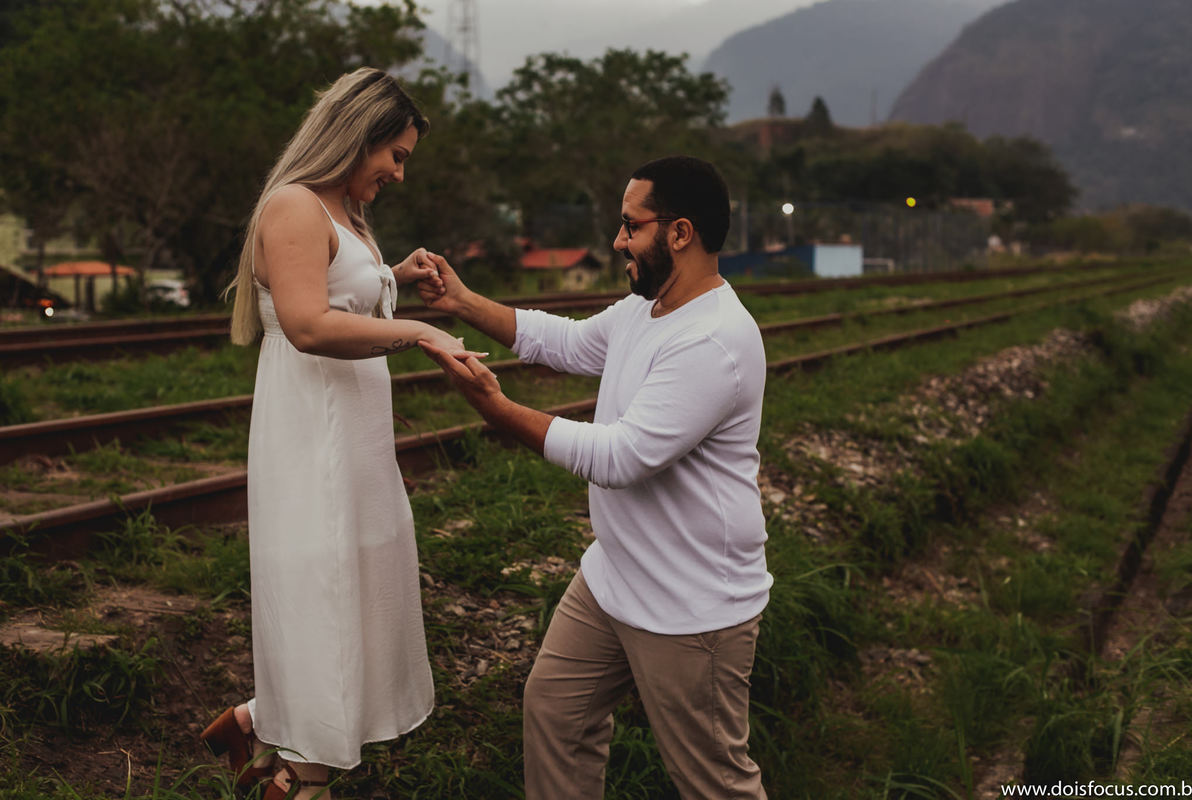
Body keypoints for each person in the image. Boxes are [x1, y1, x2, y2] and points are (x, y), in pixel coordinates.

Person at [418, 155, 772, 799]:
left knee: (713, 782)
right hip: (615, 576)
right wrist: (461, 302)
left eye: (630, 226)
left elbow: (621, 458)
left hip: (691, 605)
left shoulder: (714, 340)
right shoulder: (650, 308)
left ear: (680, 232)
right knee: (556, 714)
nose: (617, 242)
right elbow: (568, 342)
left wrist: (498, 410)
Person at [201, 67, 483, 800]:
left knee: (355, 591)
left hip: (352, 440)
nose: (397, 172)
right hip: (315, 442)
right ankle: (303, 775)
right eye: (395, 155)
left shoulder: (342, 213)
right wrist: (417, 328)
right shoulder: (293, 205)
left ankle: (262, 723)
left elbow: (333, 290)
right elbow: (306, 323)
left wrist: (392, 273)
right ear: (356, 135)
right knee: (326, 592)